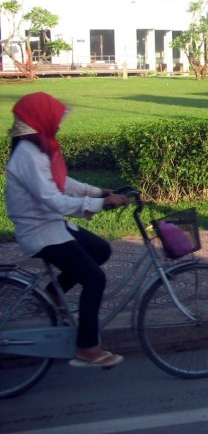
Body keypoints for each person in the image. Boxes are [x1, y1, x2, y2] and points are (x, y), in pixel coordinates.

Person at [5, 92, 128, 368]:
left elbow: (62, 182)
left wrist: (97, 191)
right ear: (41, 119)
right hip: (40, 230)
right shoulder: (28, 154)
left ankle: (53, 293)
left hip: (50, 223)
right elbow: (53, 198)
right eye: (56, 119)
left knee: (100, 249)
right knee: (95, 279)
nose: (60, 124)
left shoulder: (39, 147)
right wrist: (98, 203)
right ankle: (87, 347)